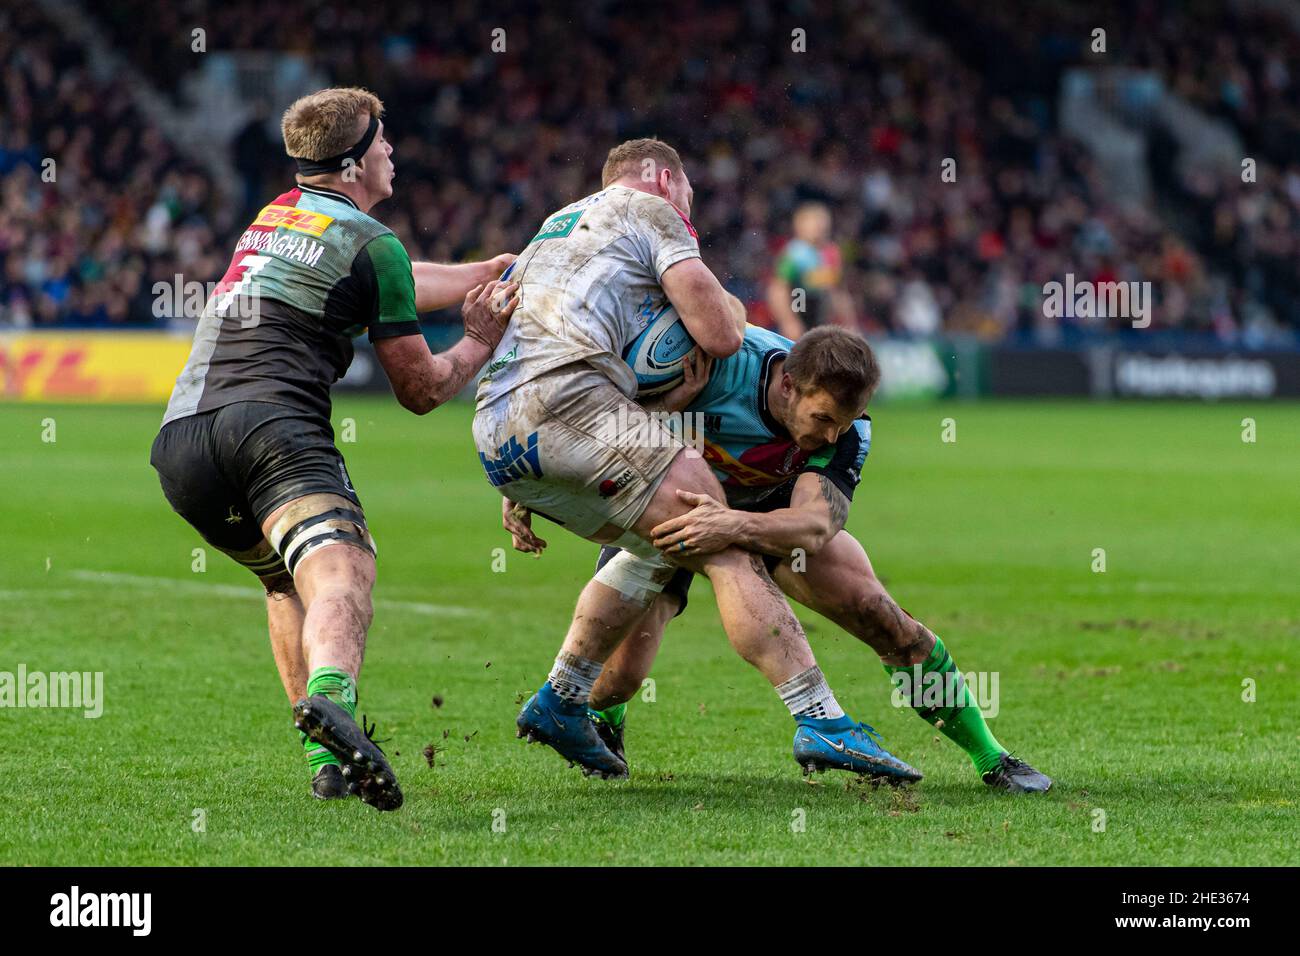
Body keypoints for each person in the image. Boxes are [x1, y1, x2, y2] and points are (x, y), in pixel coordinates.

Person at [476, 138, 919, 782]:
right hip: (579, 410)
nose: (692, 212)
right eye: (689, 195)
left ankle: (562, 698)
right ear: (664, 179)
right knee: (719, 539)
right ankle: (822, 721)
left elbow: (557, 338)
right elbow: (721, 333)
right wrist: (722, 319)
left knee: (660, 552)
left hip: (502, 421)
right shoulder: (653, 212)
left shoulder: (554, 229)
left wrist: (528, 475)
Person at [151, 87, 519, 810]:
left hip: (183, 444)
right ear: (354, 163)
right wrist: (479, 340)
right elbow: (418, 389)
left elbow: (395, 280)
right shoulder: (373, 243)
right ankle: (333, 702)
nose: (393, 151)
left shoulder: (274, 217)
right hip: (272, 428)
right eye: (384, 140)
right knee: (344, 569)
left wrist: (482, 274)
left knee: (288, 581)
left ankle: (325, 757)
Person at [528, 325, 1050, 793]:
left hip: (768, 520)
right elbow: (592, 416)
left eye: (842, 425)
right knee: (614, 682)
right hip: (670, 515)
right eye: (823, 418)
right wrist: (532, 478)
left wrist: (733, 523)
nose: (830, 436)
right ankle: (607, 719)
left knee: (884, 618)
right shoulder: (711, 362)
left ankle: (992, 758)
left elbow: (815, 526)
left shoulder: (849, 430)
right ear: (787, 386)